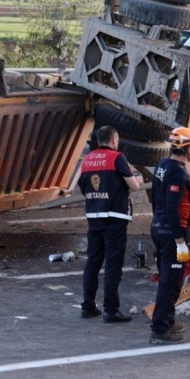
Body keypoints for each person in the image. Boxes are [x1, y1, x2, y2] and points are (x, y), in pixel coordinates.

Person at [79, 126, 144, 322]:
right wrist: (139, 177)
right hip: (114, 216)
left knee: (93, 262)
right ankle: (111, 309)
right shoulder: (117, 158)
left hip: (94, 215)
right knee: (113, 264)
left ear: (98, 141)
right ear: (114, 140)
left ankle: (88, 306)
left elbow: (83, 187)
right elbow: (134, 185)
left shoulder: (87, 160)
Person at [149, 127, 190, 345]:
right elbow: (172, 206)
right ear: (188, 149)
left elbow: (155, 199)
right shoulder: (178, 171)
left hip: (160, 228)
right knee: (171, 282)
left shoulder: (162, 164)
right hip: (173, 234)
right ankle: (160, 329)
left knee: (168, 279)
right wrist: (180, 241)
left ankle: (168, 320)